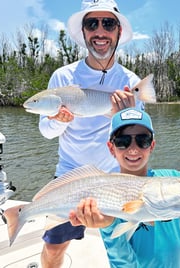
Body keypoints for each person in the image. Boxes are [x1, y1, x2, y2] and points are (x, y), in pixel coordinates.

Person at [69, 107, 180, 268]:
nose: (133, 149)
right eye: (123, 141)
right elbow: (124, 264)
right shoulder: (104, 193)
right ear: (111, 148)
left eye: (143, 140)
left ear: (152, 146)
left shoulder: (175, 180)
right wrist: (108, 227)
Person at [38, 1, 143, 267]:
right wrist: (60, 121)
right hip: (70, 175)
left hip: (115, 179)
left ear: (118, 31)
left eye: (108, 24)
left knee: (124, 250)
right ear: (83, 32)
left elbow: (137, 141)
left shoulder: (131, 82)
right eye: (91, 23)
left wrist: (126, 116)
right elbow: (46, 132)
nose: (99, 32)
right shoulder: (63, 77)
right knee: (53, 247)